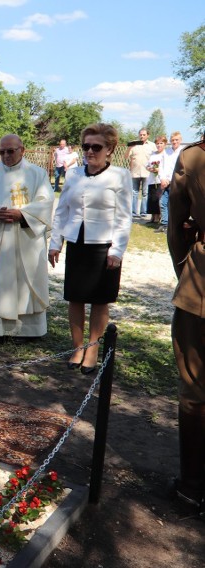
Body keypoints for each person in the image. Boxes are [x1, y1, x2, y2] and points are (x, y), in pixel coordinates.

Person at [49, 123, 133, 374]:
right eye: (86, 146)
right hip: (77, 241)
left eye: (96, 147)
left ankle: (93, 348)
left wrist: (117, 250)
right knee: (75, 296)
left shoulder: (120, 176)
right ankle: (77, 347)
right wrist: (55, 243)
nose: (90, 151)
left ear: (110, 149)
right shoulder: (74, 174)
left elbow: (123, 216)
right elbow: (62, 210)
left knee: (99, 299)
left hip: (104, 245)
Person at [0, 134, 53, 339]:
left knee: (27, 280)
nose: (6, 155)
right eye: (2, 152)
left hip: (26, 237)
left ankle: (29, 330)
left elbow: (45, 202)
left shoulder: (37, 174)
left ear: (22, 150)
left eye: (10, 151)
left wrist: (22, 214)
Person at [166, 134, 205, 517]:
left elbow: (177, 225)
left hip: (202, 287)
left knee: (195, 387)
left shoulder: (194, 157)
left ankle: (192, 486)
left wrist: (187, 268)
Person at [126, 128, 157, 218]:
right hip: (135, 172)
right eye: (140, 134)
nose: (142, 136)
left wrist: (155, 170)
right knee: (134, 192)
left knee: (145, 193)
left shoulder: (152, 145)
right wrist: (129, 148)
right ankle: (134, 212)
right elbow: (126, 156)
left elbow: (156, 158)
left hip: (147, 173)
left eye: (144, 135)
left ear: (148, 135)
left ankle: (144, 212)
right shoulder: (134, 143)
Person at [159, 132, 184, 232]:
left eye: (176, 140)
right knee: (163, 203)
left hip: (178, 182)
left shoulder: (183, 152)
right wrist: (162, 178)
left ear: (180, 140)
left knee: (176, 205)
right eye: (173, 140)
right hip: (166, 182)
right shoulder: (166, 152)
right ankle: (165, 224)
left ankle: (175, 226)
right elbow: (161, 166)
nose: (174, 142)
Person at [146, 135, 167, 223]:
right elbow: (147, 165)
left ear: (165, 144)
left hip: (160, 179)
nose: (159, 145)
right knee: (151, 199)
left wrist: (158, 169)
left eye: (161, 143)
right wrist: (149, 168)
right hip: (151, 179)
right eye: (157, 143)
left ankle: (158, 217)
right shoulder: (153, 154)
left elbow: (167, 167)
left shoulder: (166, 154)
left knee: (158, 199)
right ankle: (152, 216)